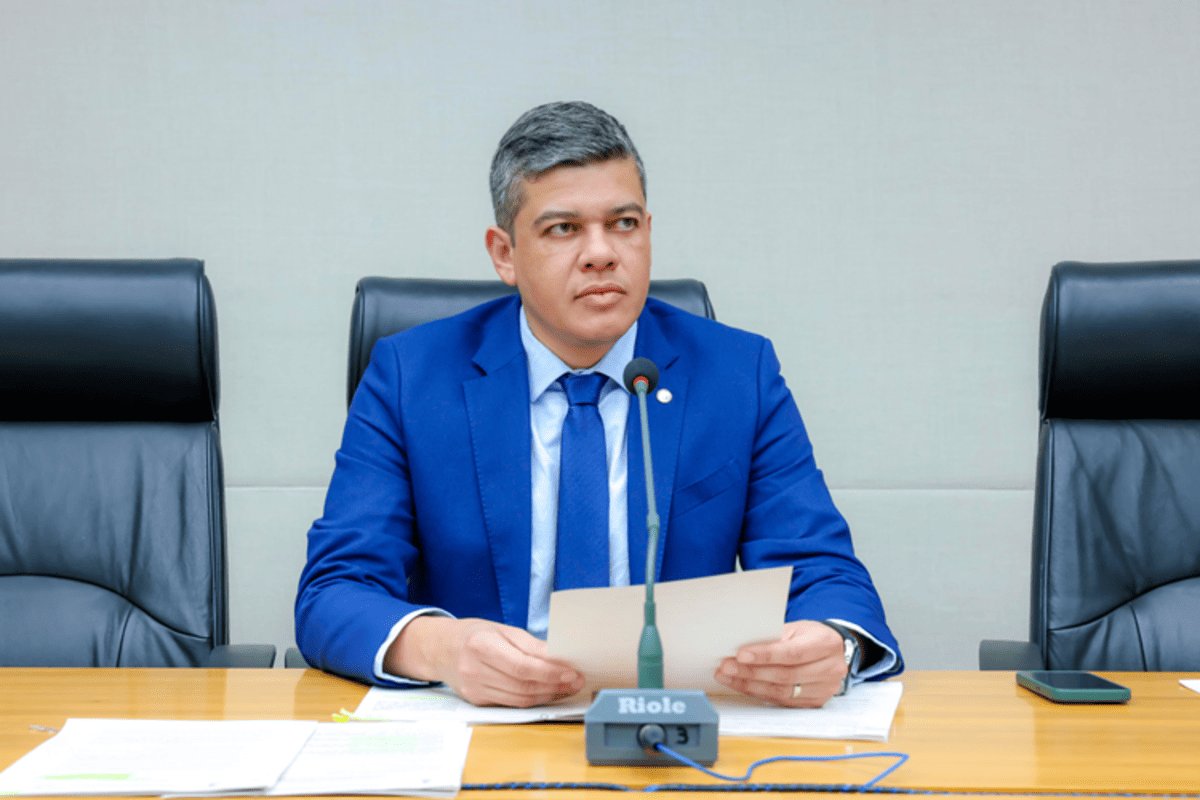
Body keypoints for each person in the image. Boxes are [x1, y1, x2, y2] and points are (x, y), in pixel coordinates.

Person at [296, 101, 902, 709]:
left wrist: (835, 643)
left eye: (624, 223)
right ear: (504, 254)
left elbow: (824, 572)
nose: (602, 253)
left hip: (674, 722)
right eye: (563, 229)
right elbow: (335, 589)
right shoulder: (410, 377)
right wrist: (443, 650)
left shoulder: (738, 375)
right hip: (480, 721)